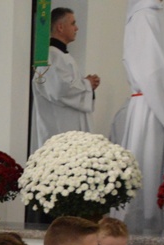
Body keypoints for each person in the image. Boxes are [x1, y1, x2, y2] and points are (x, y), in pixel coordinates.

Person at [118, 0, 164, 233]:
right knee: (147, 175)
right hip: (151, 106)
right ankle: (145, 232)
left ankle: (154, 230)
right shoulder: (145, 16)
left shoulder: (152, 14)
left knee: (152, 173)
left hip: (156, 104)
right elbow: (152, 70)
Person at [31, 7, 99, 152]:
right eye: (73, 23)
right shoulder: (50, 56)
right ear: (60, 27)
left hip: (69, 130)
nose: (77, 28)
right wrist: (87, 84)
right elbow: (59, 90)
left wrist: (86, 85)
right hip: (58, 130)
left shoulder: (61, 56)